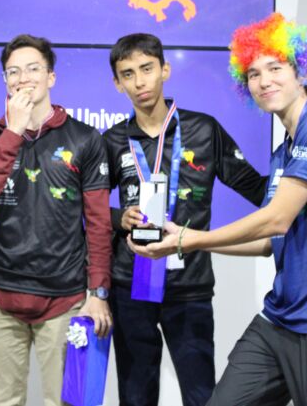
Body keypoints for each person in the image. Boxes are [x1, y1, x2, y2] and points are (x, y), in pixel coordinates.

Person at [129, 13, 307, 406]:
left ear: (301, 72)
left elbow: (277, 219)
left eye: (275, 68)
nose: (264, 81)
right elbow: (268, 242)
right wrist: (185, 241)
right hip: (282, 318)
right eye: (253, 73)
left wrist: (190, 239)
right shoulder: (284, 151)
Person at [102, 33, 267, 406]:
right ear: (117, 83)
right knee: (135, 397)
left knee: (201, 396)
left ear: (165, 70)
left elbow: (255, 188)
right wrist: (118, 217)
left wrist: (305, 184)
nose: (139, 81)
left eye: (147, 69)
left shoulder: (204, 130)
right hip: (131, 285)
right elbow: (89, 207)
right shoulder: (112, 140)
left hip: (189, 286)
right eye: (128, 74)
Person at [0, 34, 113, 406]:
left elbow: (98, 223)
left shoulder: (84, 138)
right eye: (13, 72)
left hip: (65, 299)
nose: (23, 78)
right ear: (5, 81)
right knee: (6, 401)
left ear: (51, 77)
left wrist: (98, 293)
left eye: (33, 69)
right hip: (1, 294)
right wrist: (13, 131)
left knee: (67, 402)